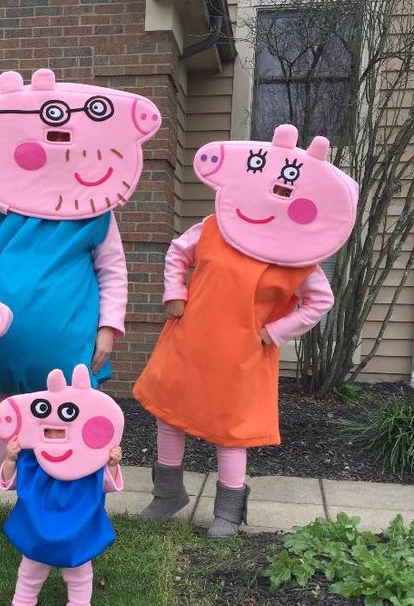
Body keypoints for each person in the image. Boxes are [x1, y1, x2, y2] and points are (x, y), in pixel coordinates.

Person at [0, 68, 161, 535]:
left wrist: (109, 325)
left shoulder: (96, 211)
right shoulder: (3, 204)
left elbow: (112, 270)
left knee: (63, 425)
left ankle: (63, 509)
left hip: (64, 342)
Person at [134, 125, 357, 536]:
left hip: (244, 352)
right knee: (169, 414)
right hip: (190, 339)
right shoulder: (214, 225)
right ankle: (168, 494)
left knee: (231, 431)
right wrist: (174, 292)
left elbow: (320, 301)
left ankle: (228, 511)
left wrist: (276, 332)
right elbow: (178, 252)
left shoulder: (297, 257)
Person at [0, 436, 123, 606]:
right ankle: (22, 604)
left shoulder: (87, 459)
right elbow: (12, 482)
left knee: (79, 570)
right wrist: (11, 460)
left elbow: (104, 484)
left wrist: (111, 465)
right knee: (31, 568)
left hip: (77, 525)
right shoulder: (33, 457)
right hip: (39, 523)